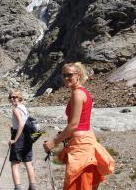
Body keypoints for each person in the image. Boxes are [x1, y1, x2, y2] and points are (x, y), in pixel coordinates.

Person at [43, 62, 112, 190]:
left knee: (77, 185)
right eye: (63, 75)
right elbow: (80, 123)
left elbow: (74, 125)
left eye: (69, 75)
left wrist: (54, 142)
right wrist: (64, 136)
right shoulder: (81, 92)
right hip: (85, 142)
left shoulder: (77, 94)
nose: (65, 78)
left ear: (78, 75)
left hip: (80, 145)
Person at [8, 90, 36, 190]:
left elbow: (21, 124)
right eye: (10, 97)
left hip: (19, 135)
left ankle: (17, 188)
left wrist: (15, 140)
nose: (12, 99)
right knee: (27, 162)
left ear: (19, 97)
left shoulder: (16, 110)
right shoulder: (24, 108)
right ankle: (32, 187)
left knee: (15, 164)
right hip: (28, 136)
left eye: (14, 97)